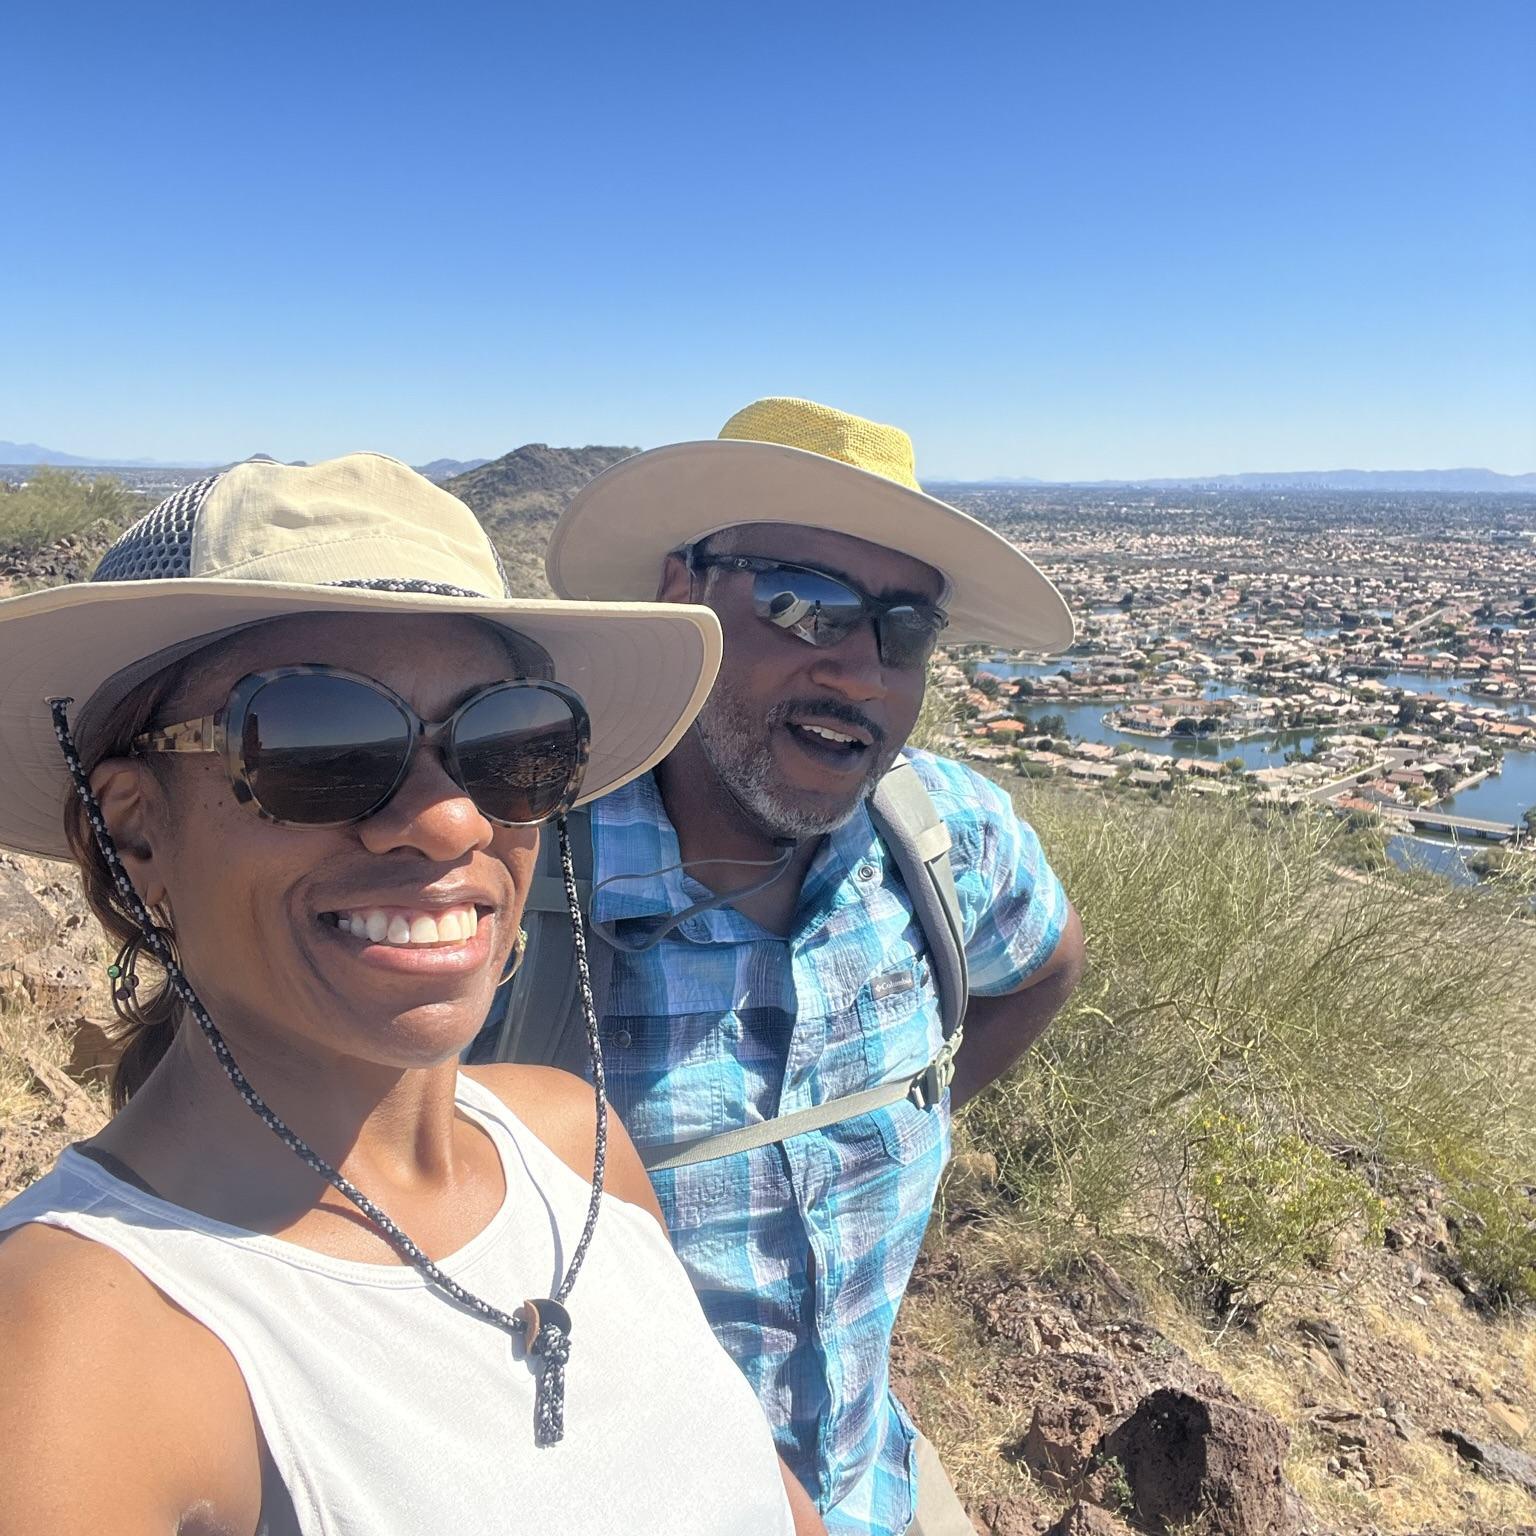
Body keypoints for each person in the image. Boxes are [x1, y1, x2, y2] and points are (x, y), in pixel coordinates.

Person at [0, 454, 823, 1535]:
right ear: (135, 829)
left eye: (511, 744)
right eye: (321, 744)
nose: (450, 821)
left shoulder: (571, 1142)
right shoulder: (75, 1346)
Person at [505, 398, 1087, 1535]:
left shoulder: (945, 839)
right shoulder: (517, 884)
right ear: (680, 597)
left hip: (874, 1488)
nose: (861, 673)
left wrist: (904, 1110)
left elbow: (1047, 963)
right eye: (803, 603)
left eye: (903, 630)